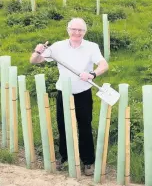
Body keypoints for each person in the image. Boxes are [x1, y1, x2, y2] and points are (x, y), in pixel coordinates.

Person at [30, 18, 108, 176]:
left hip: (83, 93)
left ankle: (88, 162)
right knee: (63, 126)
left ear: (85, 32)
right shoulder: (58, 46)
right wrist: (38, 51)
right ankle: (64, 157)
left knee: (84, 127)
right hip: (63, 93)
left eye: (80, 30)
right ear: (68, 30)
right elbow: (34, 61)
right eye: (74, 29)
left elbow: (104, 65)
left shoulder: (91, 47)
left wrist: (92, 74)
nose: (77, 33)